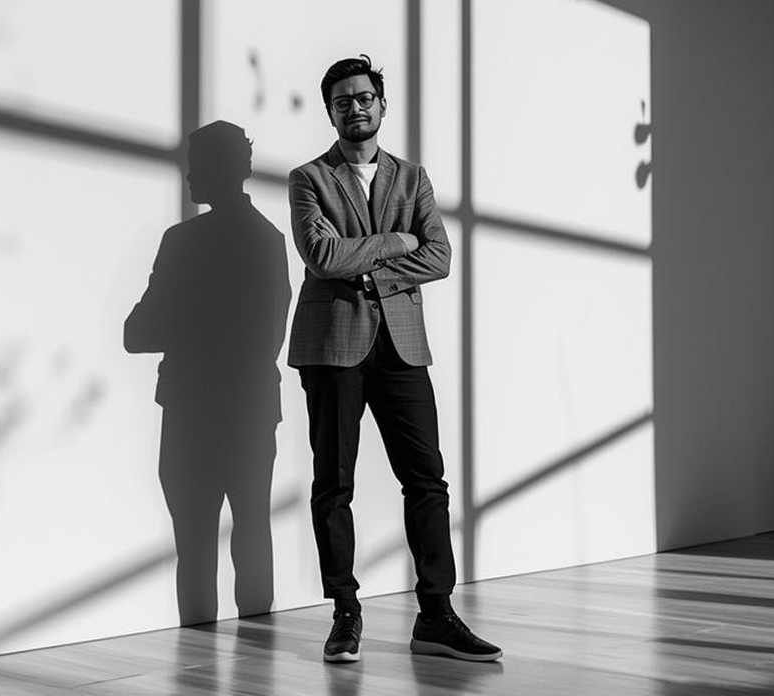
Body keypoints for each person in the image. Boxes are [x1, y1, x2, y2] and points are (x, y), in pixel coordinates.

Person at [287, 55, 502, 663]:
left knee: (427, 480)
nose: (355, 107)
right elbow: (322, 257)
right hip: (332, 347)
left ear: (382, 105)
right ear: (330, 111)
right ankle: (345, 612)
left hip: (402, 344)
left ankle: (435, 614)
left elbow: (440, 257)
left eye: (365, 97)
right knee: (335, 483)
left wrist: (369, 256)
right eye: (342, 100)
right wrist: (395, 243)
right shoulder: (309, 179)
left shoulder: (413, 178)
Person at [126, 121, 290, 625]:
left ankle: (197, 661)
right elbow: (267, 335)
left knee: (195, 551)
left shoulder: (182, 242)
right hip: (249, 410)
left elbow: (137, 332)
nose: (190, 173)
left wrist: (185, 324)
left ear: (219, 168)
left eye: (195, 163)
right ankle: (257, 662)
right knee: (252, 536)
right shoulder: (268, 239)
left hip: (192, 413)